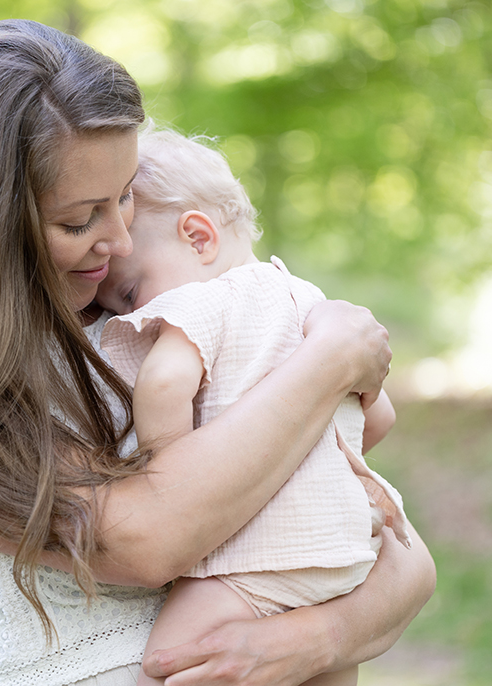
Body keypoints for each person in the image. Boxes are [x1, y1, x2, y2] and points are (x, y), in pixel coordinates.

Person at [0, 19, 435, 686]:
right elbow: (147, 540)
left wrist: (316, 639)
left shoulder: (137, 320)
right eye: (79, 220)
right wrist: (332, 359)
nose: (122, 239)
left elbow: (398, 560)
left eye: (127, 195)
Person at [96, 127, 412, 686]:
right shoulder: (308, 300)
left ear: (198, 238)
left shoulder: (196, 305)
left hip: (250, 558)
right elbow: (377, 418)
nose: (128, 315)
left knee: (169, 666)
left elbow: (164, 385)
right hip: (343, 555)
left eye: (127, 292)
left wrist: (166, 465)